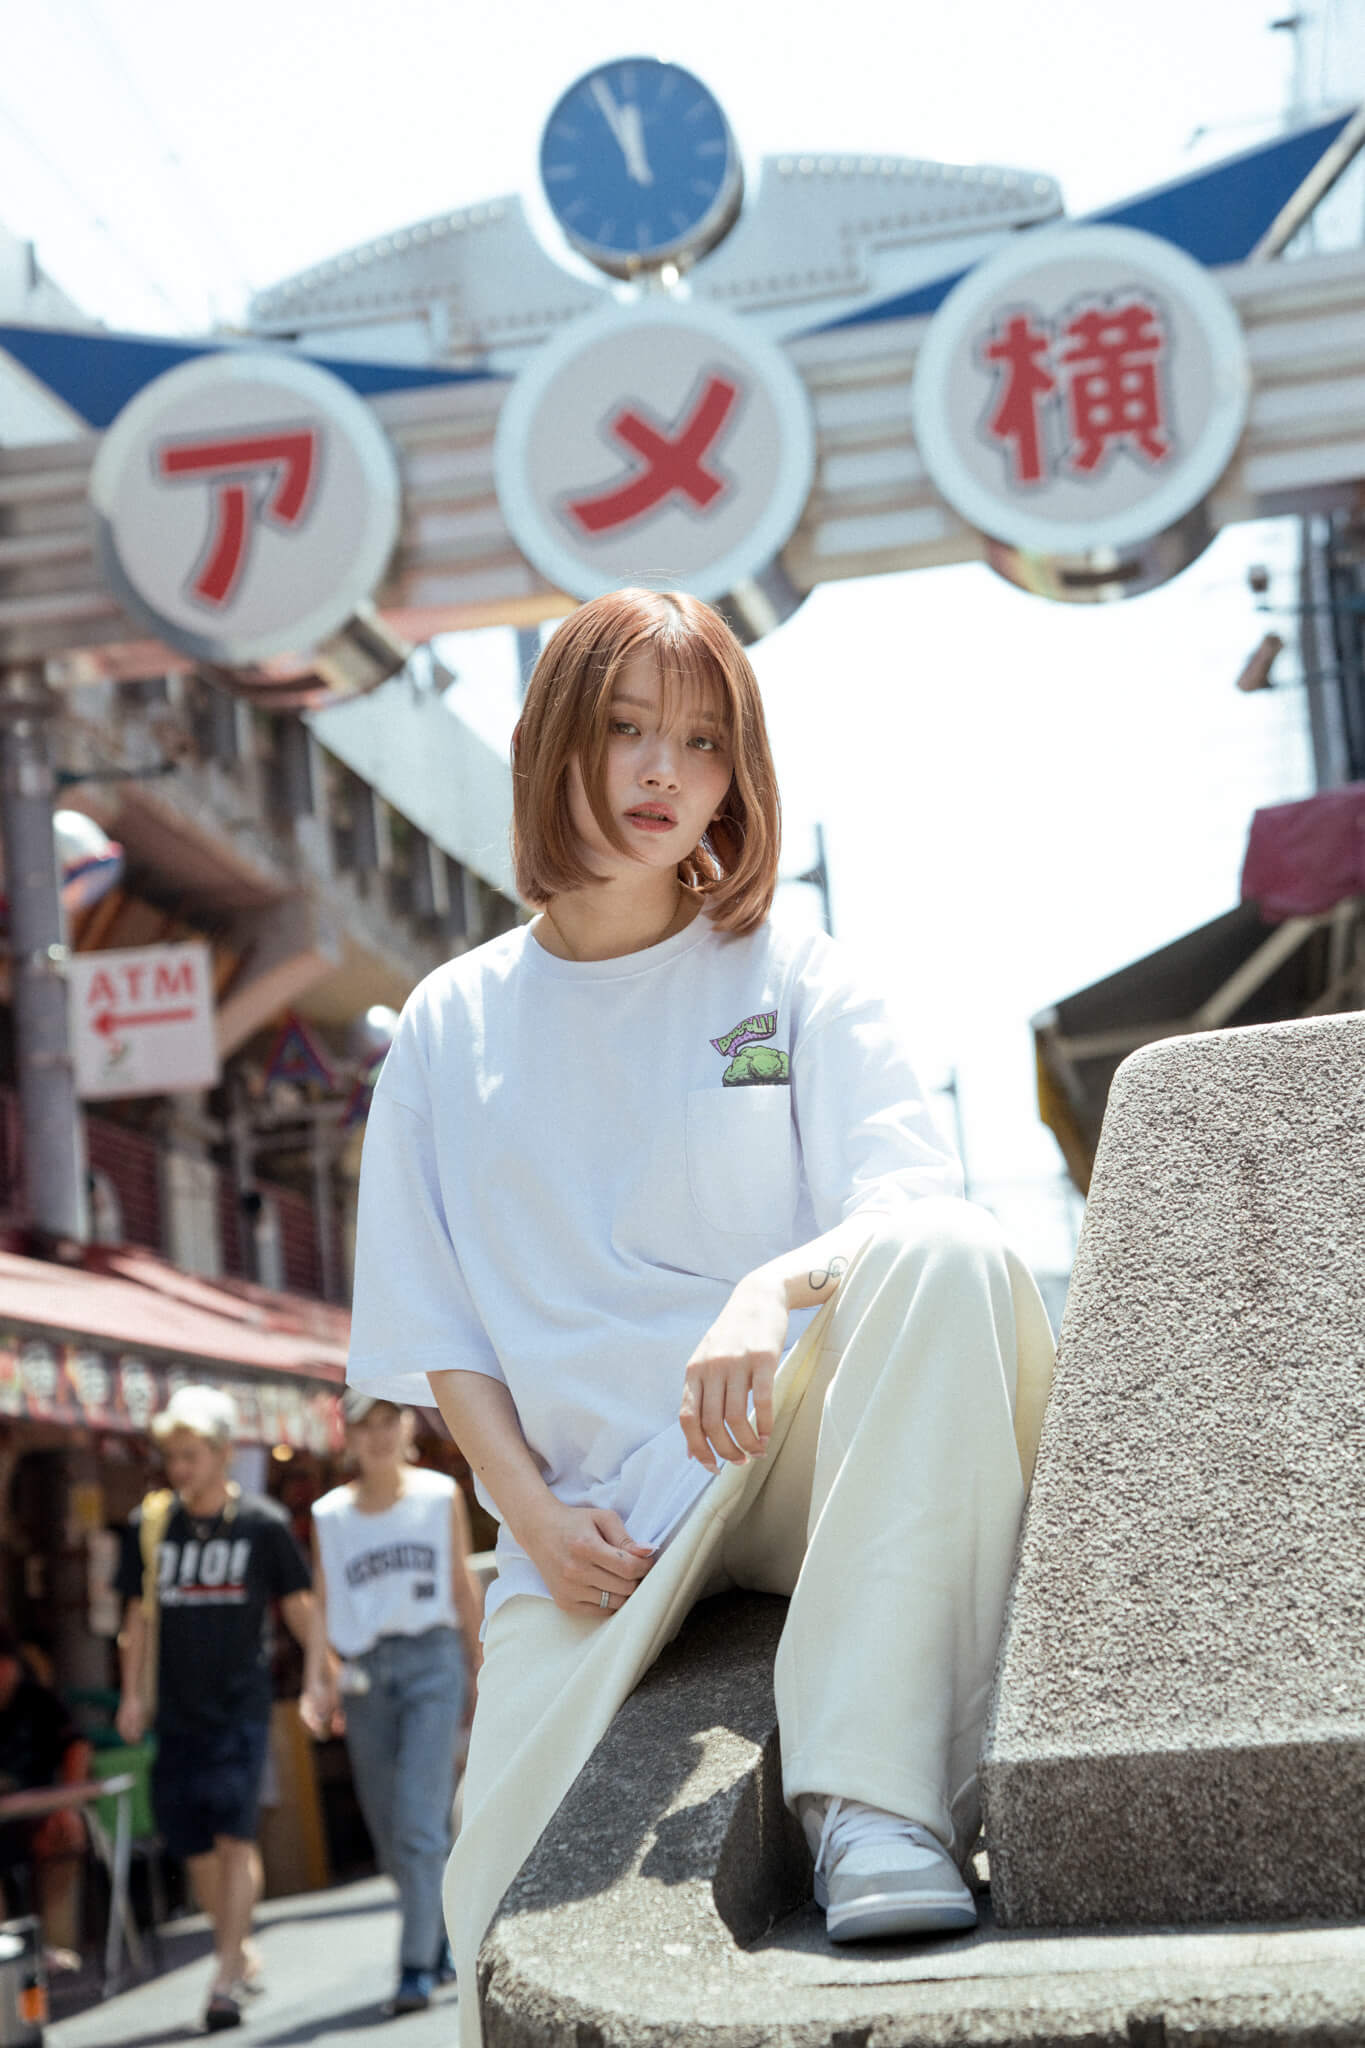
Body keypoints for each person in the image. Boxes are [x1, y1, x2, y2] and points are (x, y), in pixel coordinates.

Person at [345, 589, 1056, 2048]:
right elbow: (437, 1328)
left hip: (785, 1450)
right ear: (554, 745)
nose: (666, 772)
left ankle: (880, 1808)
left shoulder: (788, 974)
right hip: (589, 1530)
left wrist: (772, 1285)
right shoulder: (446, 1023)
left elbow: (909, 1202)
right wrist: (528, 1517)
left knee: (945, 1253)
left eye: (702, 741)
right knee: (501, 1944)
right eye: (624, 732)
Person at [114, 1385, 315, 2033]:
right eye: (172, 1455)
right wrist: (133, 1695)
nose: (180, 1467)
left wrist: (323, 1677)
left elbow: (299, 1605)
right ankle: (240, 1946)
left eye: (192, 1454)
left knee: (235, 1837)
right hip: (175, 1710)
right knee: (194, 1845)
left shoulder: (262, 1523)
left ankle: (225, 1973)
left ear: (224, 1454)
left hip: (240, 1706)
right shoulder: (150, 1526)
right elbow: (137, 1617)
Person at [301, 1394, 484, 2016]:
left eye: (389, 1420)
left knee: (416, 1818)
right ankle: (433, 1938)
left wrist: (481, 1668)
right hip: (364, 1676)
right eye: (364, 1424)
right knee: (389, 1831)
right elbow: (323, 1605)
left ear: (406, 1426)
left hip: (433, 1662)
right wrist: (314, 1681)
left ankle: (415, 1966)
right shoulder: (330, 1515)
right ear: (346, 1437)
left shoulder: (437, 1496)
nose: (378, 1435)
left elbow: (461, 1585)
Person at [0, 1625, 92, 1962]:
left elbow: (77, 1747)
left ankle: (55, 1945)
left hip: (39, 1819)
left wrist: (67, 1805)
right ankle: (7, 1957)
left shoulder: (37, 1700)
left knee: (67, 1834)